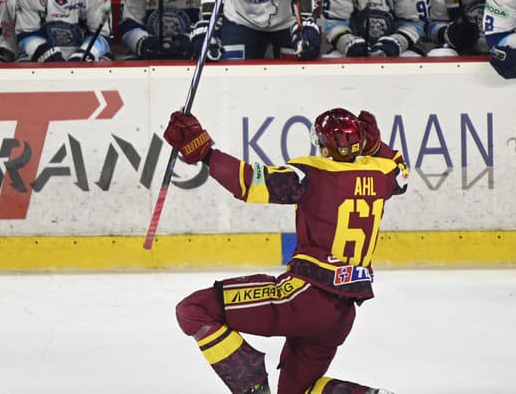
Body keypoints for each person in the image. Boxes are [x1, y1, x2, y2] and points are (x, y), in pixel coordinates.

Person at [163, 107, 407, 394]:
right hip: (342, 313)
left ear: (324, 146)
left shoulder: (312, 174)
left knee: (193, 309)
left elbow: (249, 183)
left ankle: (251, 383)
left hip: (303, 297)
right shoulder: (382, 173)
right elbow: (401, 174)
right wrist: (378, 148)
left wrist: (204, 152)